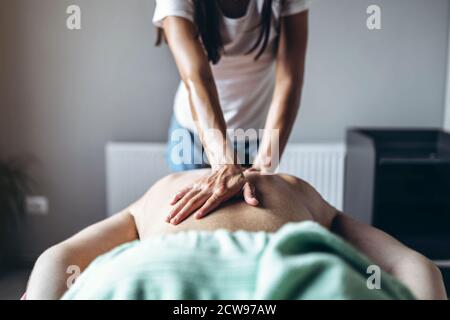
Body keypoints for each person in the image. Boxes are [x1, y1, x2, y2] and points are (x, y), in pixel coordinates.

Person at [26, 170, 447, 300]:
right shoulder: (292, 185)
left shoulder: (166, 186)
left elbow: (58, 260)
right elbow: (411, 264)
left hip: (158, 268)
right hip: (291, 267)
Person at [155, 0, 311, 223]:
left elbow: (289, 79)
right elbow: (197, 79)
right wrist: (224, 162)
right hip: (192, 135)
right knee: (194, 221)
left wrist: (264, 166)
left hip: (255, 135)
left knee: (248, 220)